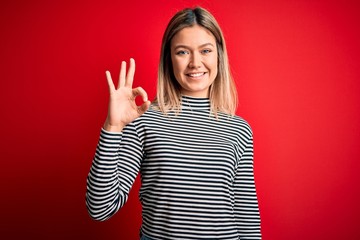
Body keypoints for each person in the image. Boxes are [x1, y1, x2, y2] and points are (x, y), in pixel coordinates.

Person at [86, 6, 261, 240]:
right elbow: (100, 208)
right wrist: (113, 127)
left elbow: (245, 212)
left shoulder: (238, 129)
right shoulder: (144, 120)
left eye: (205, 50)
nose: (195, 63)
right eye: (182, 52)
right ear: (169, 59)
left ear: (218, 54)